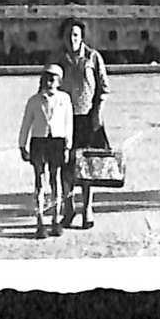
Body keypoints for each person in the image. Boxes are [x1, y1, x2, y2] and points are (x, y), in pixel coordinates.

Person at [51, 17, 110, 230]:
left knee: (87, 167)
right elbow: (48, 89)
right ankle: (69, 208)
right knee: (64, 165)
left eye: (76, 35)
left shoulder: (93, 58)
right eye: (68, 36)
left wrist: (98, 113)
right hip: (64, 120)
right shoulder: (57, 60)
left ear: (81, 37)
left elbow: (103, 88)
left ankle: (87, 208)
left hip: (87, 119)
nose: (72, 39)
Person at [18, 64, 73, 239]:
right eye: (47, 79)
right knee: (39, 181)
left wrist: (67, 145)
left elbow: (68, 123)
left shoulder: (64, 99)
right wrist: (22, 144)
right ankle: (40, 219)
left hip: (56, 141)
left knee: (55, 179)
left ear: (59, 82)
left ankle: (56, 219)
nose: (50, 83)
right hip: (39, 142)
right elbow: (26, 123)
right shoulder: (34, 100)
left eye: (53, 80)